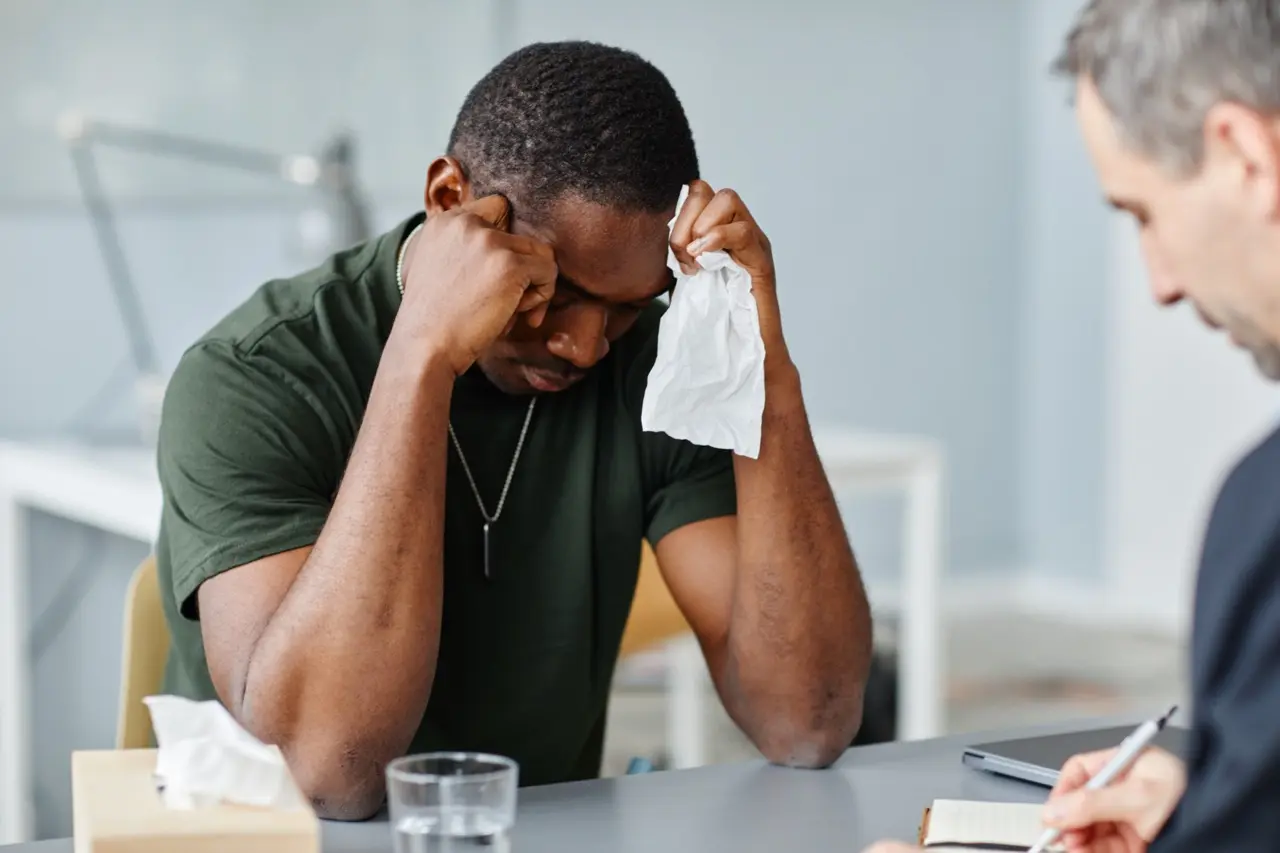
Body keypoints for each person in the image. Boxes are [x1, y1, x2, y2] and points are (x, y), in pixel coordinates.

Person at [153, 40, 873, 820]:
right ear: (448, 197)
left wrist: (765, 377)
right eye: (553, 292)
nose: (586, 344)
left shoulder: (652, 369)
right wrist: (422, 353)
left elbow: (807, 719)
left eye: (629, 304)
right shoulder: (253, 377)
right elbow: (327, 771)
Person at [864, 1, 1280, 851]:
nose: (1159, 280)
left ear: (1245, 154)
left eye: (1143, 212)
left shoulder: (1267, 515)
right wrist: (1215, 797)